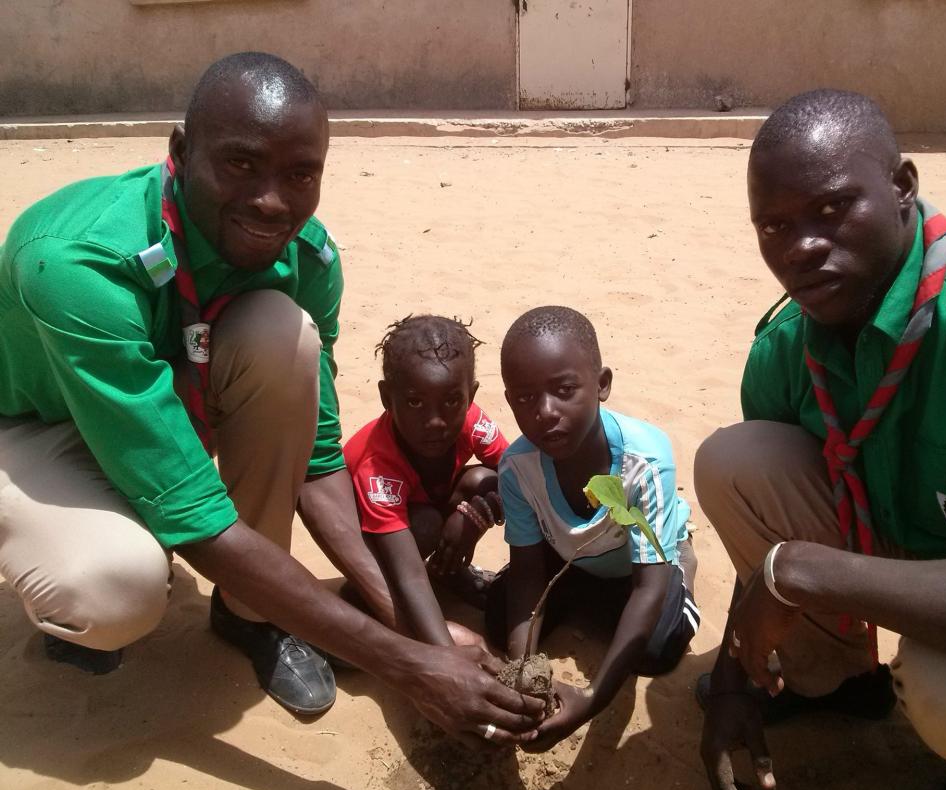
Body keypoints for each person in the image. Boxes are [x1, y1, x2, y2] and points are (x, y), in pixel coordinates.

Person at [0, 51, 544, 745]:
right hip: (37, 426)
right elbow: (197, 518)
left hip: (167, 413)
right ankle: (69, 589)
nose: (271, 202)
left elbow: (317, 463)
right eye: (240, 165)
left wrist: (419, 631)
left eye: (300, 174)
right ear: (180, 152)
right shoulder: (77, 264)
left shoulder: (306, 258)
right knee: (114, 587)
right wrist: (410, 666)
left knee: (283, 335)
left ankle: (247, 613)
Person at [693, 89, 946, 790]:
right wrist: (733, 682)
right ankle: (838, 678)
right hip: (896, 541)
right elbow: (769, 551)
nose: (800, 247)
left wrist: (807, 572)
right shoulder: (786, 346)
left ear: (902, 187)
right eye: (773, 225)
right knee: (735, 459)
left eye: (831, 209)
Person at [488, 305, 700, 752]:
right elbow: (527, 568)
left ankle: (685, 564)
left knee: (657, 649)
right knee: (499, 623)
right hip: (572, 559)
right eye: (524, 398)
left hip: (641, 569)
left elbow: (646, 588)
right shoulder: (518, 467)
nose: (545, 412)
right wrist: (523, 671)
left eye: (565, 390)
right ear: (509, 401)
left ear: (601, 384)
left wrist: (591, 699)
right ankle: (589, 601)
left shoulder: (645, 460)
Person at [342, 314, 507, 647]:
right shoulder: (378, 466)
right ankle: (372, 603)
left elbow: (523, 475)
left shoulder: (472, 423)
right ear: (388, 398)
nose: (435, 421)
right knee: (428, 525)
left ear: (470, 395)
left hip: (422, 513)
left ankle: (448, 573)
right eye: (415, 402)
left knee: (487, 482)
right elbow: (408, 574)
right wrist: (447, 659)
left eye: (451, 401)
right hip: (372, 547)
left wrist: (473, 518)